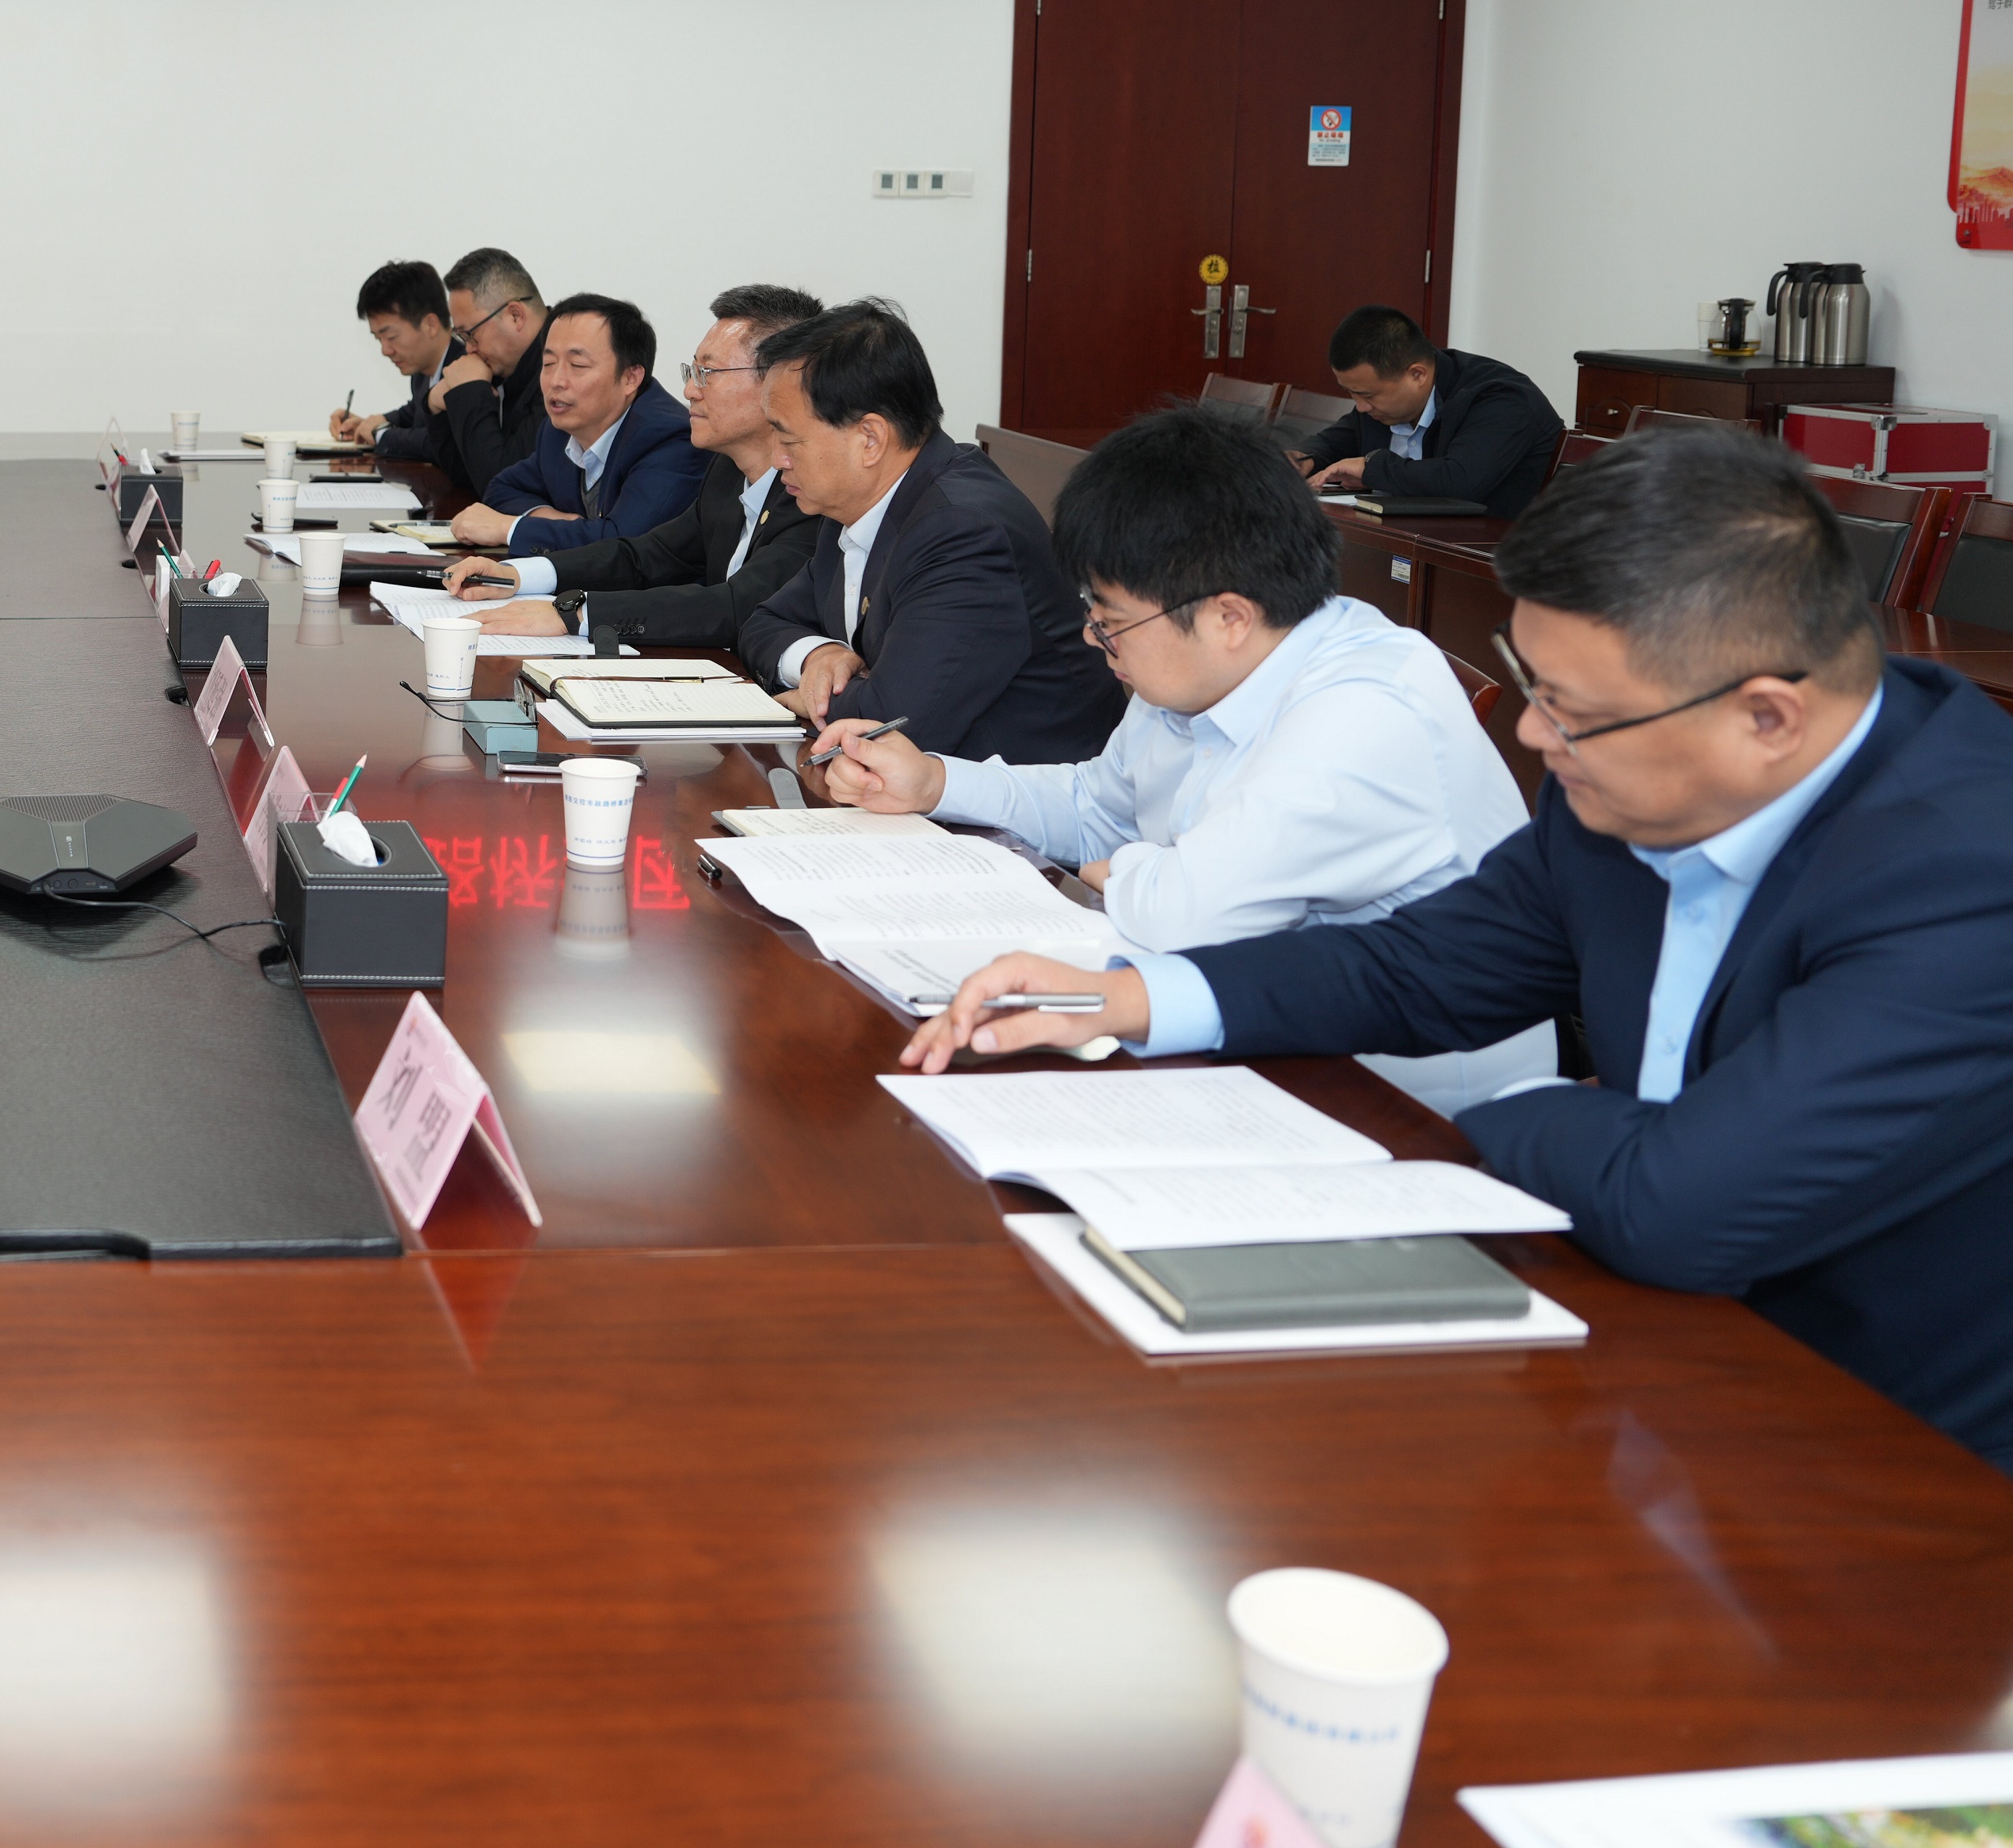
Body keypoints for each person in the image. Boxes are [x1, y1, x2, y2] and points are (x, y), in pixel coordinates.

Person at [908, 430, 2013, 1470]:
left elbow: (1680, 1208)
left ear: (1767, 719)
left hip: (1871, 1439)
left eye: (1567, 710)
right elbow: (1417, 968)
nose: (1530, 735)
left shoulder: (1967, 877)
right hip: (1629, 1336)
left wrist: (1488, 1121)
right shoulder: (1627, 774)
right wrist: (1131, 999)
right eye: (1529, 686)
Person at [822, 402, 1539, 1109]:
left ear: (1229, 615)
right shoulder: (1198, 664)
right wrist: (935, 782)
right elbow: (1096, 808)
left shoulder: (1366, 712)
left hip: (1404, 1101)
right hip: (1239, 1033)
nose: (1092, 638)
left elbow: (1182, 915)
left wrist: (1131, 869)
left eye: (1110, 620)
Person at [738, 299, 1118, 762]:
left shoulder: (963, 533)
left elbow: (893, 726)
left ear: (870, 439)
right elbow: (762, 622)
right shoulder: (854, 502)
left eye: (788, 439)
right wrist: (816, 657)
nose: (777, 458)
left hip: (1017, 799)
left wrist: (815, 699)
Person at [444, 284, 822, 649]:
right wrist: (516, 574)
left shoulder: (814, 491)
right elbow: (645, 557)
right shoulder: (728, 473)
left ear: (778, 382)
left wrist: (576, 614)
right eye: (692, 372)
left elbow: (738, 606)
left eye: (707, 373)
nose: (690, 391)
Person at [447, 292, 699, 557]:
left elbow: (622, 546)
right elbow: (501, 489)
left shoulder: (670, 440)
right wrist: (554, 520)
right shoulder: (558, 431)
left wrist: (511, 528)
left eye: (577, 365)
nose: (556, 381)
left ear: (630, 378)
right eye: (548, 363)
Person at [1296, 305, 1565, 518]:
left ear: (1417, 375)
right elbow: (1332, 443)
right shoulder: (1382, 407)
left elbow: (1459, 482)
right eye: (1351, 393)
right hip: (1410, 545)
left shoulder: (1501, 399)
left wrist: (1372, 469)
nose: (1360, 406)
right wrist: (1302, 459)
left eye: (1367, 395)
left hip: (1497, 555)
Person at [432, 246, 547, 498]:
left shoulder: (559, 373)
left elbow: (501, 485)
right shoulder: (505, 366)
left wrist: (470, 392)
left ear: (515, 316)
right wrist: (436, 405)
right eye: (462, 337)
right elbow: (464, 476)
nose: (469, 349)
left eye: (470, 334)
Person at [330, 260, 461, 455]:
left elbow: (443, 443)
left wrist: (381, 434)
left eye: (391, 337)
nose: (385, 350)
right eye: (378, 339)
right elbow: (414, 413)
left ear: (431, 325)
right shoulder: (422, 371)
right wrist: (369, 424)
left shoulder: (465, 369)